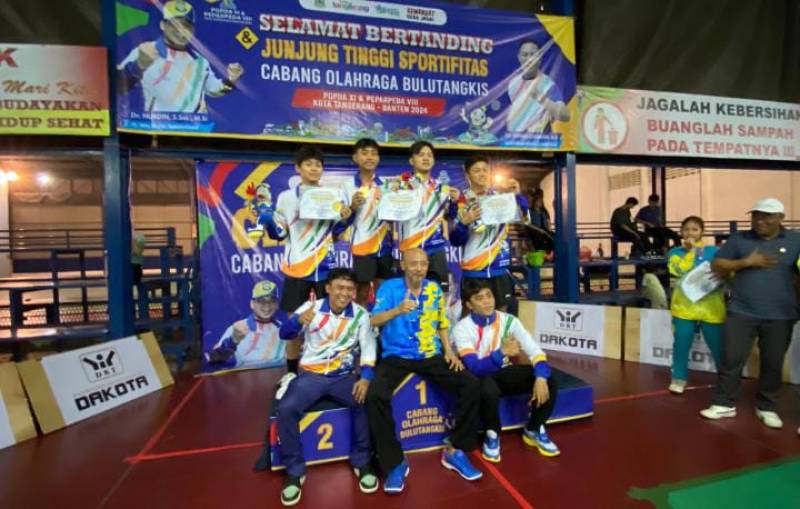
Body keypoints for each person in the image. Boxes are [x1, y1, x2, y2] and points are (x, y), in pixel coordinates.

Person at [367, 248, 482, 493]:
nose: (419, 268)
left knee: (471, 384)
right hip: (396, 356)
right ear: (403, 265)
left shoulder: (434, 288)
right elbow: (373, 320)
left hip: (430, 354)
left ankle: (455, 449)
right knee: (375, 395)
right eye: (414, 263)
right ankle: (394, 462)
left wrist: (449, 351)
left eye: (423, 263)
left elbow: (442, 323)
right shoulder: (389, 288)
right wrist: (397, 310)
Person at [276, 269, 377, 506]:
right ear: (328, 288)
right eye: (339, 287)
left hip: (343, 377)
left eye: (349, 289)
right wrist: (297, 321)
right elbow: (284, 333)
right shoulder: (310, 308)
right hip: (311, 376)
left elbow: (368, 349)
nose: (344, 293)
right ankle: (294, 471)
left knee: (366, 400)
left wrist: (365, 378)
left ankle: (362, 461)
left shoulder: (361, 315)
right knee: (287, 408)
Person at [260, 145, 353, 396]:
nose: (314, 168)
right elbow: (279, 233)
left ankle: (328, 368)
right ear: (298, 168)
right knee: (294, 324)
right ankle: (291, 372)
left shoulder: (333, 195)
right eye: (309, 164)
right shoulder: (286, 198)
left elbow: (337, 231)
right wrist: (268, 220)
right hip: (298, 269)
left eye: (318, 164)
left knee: (328, 322)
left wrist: (346, 217)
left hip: (325, 269)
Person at [700, 198, 800, 429]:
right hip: (741, 311)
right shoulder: (739, 239)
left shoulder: (795, 240)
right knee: (731, 359)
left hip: (781, 314)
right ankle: (724, 403)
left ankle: (766, 407)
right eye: (756, 215)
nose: (759, 220)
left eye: (766, 216)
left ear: (780, 218)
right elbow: (716, 265)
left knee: (773, 362)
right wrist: (746, 262)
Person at [453, 279, 560, 463]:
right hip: (479, 376)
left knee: (550, 379)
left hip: (502, 373)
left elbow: (535, 351)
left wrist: (541, 377)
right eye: (479, 298)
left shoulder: (510, 321)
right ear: (469, 305)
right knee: (488, 389)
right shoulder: (462, 328)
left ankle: (534, 428)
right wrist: (501, 352)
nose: (487, 301)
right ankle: (492, 433)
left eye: (489, 296)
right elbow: (475, 367)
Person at [117, 0, 244, 112]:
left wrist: (232, 79)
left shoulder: (200, 61)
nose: (181, 31)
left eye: (186, 26)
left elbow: (214, 90)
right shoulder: (144, 50)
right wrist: (138, 66)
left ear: (193, 30)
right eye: (175, 25)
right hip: (156, 128)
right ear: (163, 25)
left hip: (194, 128)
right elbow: (118, 87)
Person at [450, 155, 528, 313]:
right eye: (476, 170)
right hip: (474, 271)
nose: (482, 174)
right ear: (467, 175)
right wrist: (464, 223)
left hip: (499, 268)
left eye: (485, 170)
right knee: (471, 316)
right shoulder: (461, 202)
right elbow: (456, 240)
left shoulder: (501, 197)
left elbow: (523, 218)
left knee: (500, 317)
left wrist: (517, 195)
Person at [389, 141, 459, 293]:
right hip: (410, 248)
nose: (426, 158)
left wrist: (454, 202)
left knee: (437, 294)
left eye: (429, 155)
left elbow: (451, 216)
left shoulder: (441, 187)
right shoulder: (400, 185)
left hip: (435, 248)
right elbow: (389, 213)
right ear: (411, 160)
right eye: (421, 155)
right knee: (409, 293)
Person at [666, 216, 724, 394]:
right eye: (686, 229)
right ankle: (679, 378)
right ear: (681, 233)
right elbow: (679, 270)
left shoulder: (714, 251)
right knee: (681, 344)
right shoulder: (675, 253)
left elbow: (726, 272)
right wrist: (692, 251)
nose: (690, 233)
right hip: (684, 308)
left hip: (712, 308)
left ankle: (725, 379)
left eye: (694, 229)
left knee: (718, 346)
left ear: (702, 232)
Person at [342, 138, 393, 306]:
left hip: (385, 247)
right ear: (355, 157)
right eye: (364, 153)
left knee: (383, 292)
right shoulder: (347, 186)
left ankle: (379, 322)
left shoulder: (387, 185)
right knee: (361, 292)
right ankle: (360, 321)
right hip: (362, 245)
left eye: (373, 153)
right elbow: (342, 220)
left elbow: (395, 217)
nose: (369, 157)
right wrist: (352, 207)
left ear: (378, 158)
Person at [206, 280, 287, 371]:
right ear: (252, 304)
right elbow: (214, 360)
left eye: (271, 301)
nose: (267, 306)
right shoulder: (238, 328)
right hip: (247, 378)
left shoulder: (285, 329)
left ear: (277, 305)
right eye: (261, 301)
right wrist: (233, 341)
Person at [507, 39, 570, 134]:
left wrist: (540, 97)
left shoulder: (548, 84)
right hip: (516, 139)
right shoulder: (513, 84)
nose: (529, 59)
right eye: (525, 55)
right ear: (519, 57)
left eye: (533, 55)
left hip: (540, 140)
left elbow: (565, 116)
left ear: (539, 58)